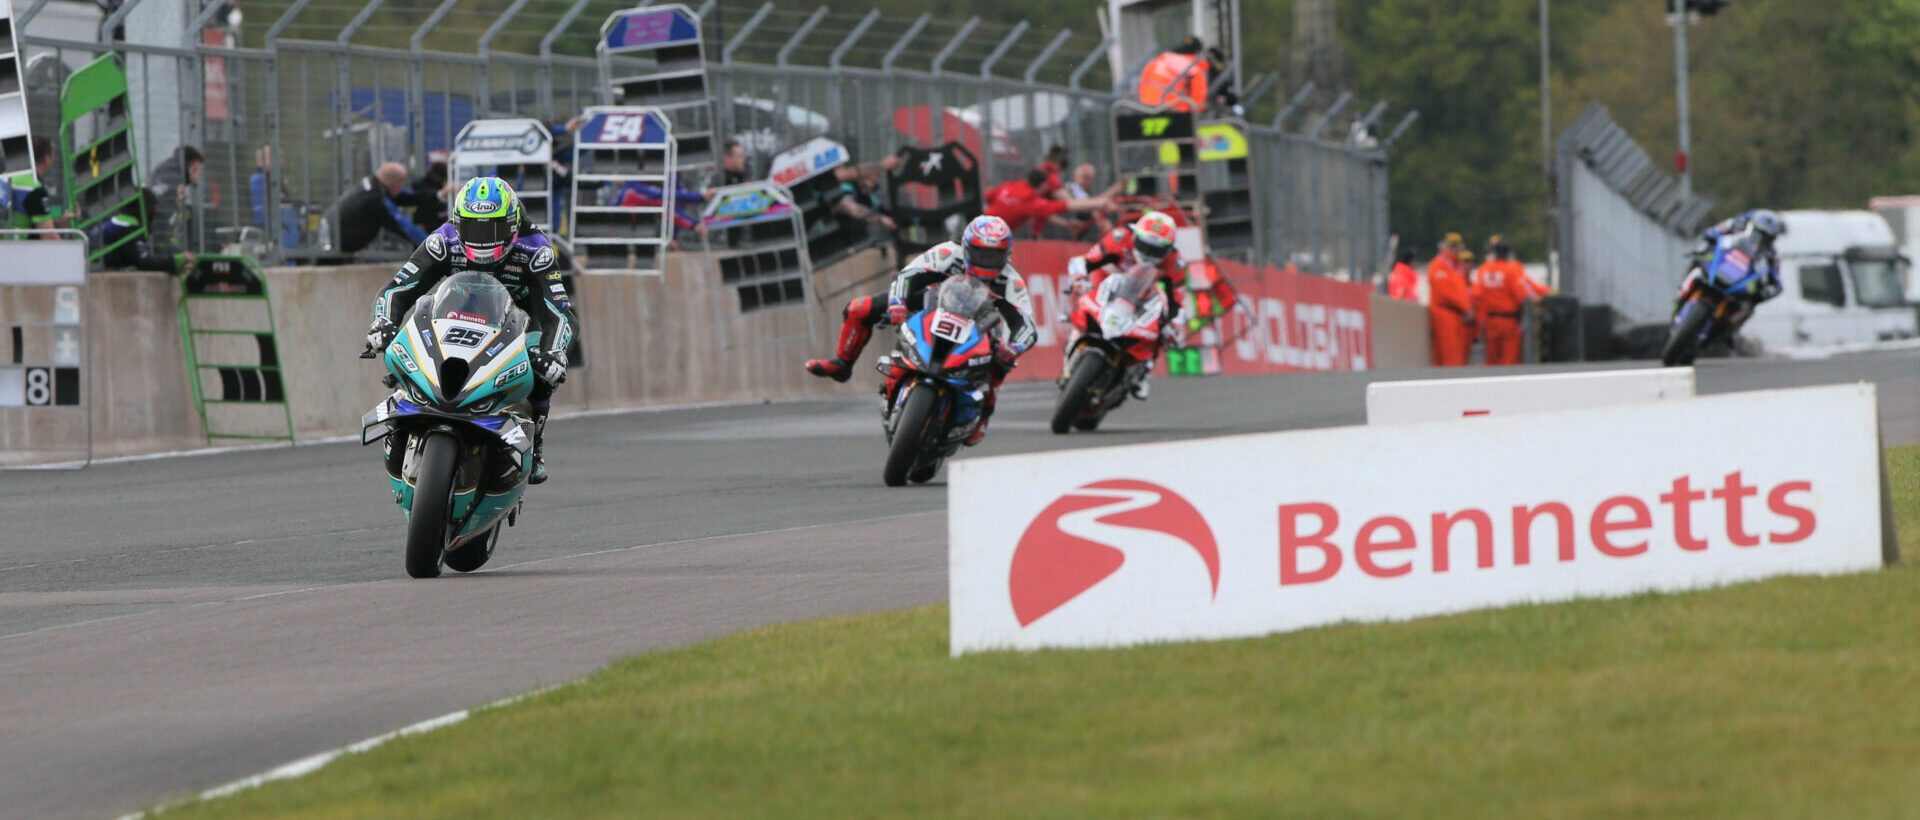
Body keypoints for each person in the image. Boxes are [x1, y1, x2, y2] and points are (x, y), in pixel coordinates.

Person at [365, 177, 575, 485]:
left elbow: (559, 311)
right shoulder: (443, 241)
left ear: (512, 224)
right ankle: (404, 417)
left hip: (520, 324)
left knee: (543, 374)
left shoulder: (536, 250)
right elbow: (398, 289)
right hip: (457, 315)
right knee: (404, 348)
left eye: (492, 229)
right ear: (457, 223)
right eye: (474, 229)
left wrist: (554, 352)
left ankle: (537, 442)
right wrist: (383, 322)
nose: (483, 239)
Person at [804, 214, 1036, 446]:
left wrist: (1014, 347)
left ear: (1006, 255)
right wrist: (898, 302)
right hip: (933, 301)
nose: (986, 261)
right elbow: (908, 276)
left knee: (1001, 358)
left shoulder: (1011, 281)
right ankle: (842, 364)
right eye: (980, 253)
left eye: (994, 256)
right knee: (859, 308)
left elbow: (1026, 326)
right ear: (966, 247)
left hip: (981, 321)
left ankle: (985, 412)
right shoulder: (947, 252)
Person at [1065, 211, 1187, 399]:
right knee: (1083, 302)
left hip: (1144, 293)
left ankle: (1144, 369)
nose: (1147, 254)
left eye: (1156, 250)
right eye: (1144, 246)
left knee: (1163, 331)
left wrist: (1173, 326)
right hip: (1108, 280)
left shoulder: (1175, 262)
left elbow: (1177, 303)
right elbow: (1084, 260)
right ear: (1136, 236)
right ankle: (1075, 339)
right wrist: (1079, 278)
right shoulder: (1119, 237)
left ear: (1168, 249)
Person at [1688, 209, 1787, 333]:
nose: (1759, 240)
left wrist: (1766, 292)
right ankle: (1683, 291)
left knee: (1746, 307)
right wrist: (1703, 245)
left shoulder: (1772, 256)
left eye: (1765, 238)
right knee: (1696, 266)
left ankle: (1726, 333)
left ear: (1772, 239)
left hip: (1739, 287)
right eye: (1757, 234)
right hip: (1721, 268)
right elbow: (1711, 233)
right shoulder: (1736, 226)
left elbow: (1777, 284)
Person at [1471, 235, 1548, 366]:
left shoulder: (1484, 269)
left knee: (1491, 361)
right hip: (1509, 322)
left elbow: (1477, 295)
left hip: (1490, 321)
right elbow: (1523, 295)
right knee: (1509, 361)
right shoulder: (1513, 269)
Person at [326, 162, 429, 255]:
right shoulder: (375, 198)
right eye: (401, 182)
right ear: (391, 181)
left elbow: (405, 196)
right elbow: (402, 226)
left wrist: (437, 195)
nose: (402, 186)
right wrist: (430, 245)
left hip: (333, 241)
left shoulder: (369, 185)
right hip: (341, 246)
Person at [90, 189, 193, 272]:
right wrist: (175, 262)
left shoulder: (112, 221)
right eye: (153, 208)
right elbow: (144, 262)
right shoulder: (129, 227)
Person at [1427, 232, 1473, 367]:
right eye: (1452, 246)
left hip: (1456, 315)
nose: (1456, 249)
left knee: (1457, 355)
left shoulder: (1455, 266)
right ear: (1445, 247)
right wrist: (1466, 307)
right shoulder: (1438, 265)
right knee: (1450, 356)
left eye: (1457, 246)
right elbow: (1446, 292)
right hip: (1445, 314)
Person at [13, 136, 70, 238]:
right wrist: (73, 253)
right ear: (47, 159)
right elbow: (48, 235)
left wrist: (58, 223)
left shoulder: (12, 177)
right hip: (19, 250)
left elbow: (34, 222)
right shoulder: (35, 189)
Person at [147, 145, 204, 245]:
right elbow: (165, 220)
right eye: (199, 170)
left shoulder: (161, 171)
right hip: (154, 239)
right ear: (195, 167)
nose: (198, 176)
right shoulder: (176, 183)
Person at [1138, 36, 1210, 113]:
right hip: (1175, 111)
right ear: (1198, 52)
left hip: (1146, 108)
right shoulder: (1193, 68)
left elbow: (1142, 86)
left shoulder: (1156, 62)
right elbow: (1198, 101)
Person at [400, 162, 449, 235]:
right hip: (425, 225)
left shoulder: (425, 184)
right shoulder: (421, 186)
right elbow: (425, 199)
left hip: (431, 225)